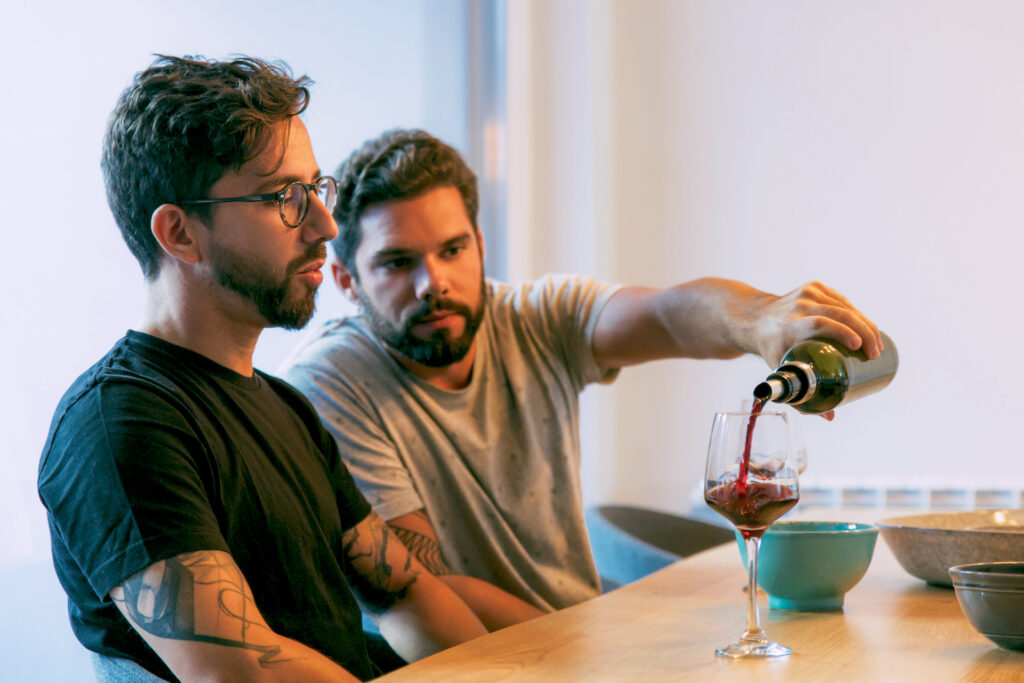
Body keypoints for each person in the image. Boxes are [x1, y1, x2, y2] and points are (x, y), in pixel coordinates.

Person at [278, 128, 884, 617]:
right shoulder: (329, 385)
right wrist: (587, 652)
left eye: (453, 250)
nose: (432, 281)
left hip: (578, 639)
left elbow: (672, 316)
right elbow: (433, 590)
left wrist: (760, 319)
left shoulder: (535, 318)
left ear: (482, 246)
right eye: (397, 262)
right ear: (346, 283)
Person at [37, 59, 490, 683]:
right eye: (284, 199)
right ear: (180, 234)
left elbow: (406, 593)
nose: (325, 225)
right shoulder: (117, 426)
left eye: (315, 190)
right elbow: (244, 670)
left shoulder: (284, 406)